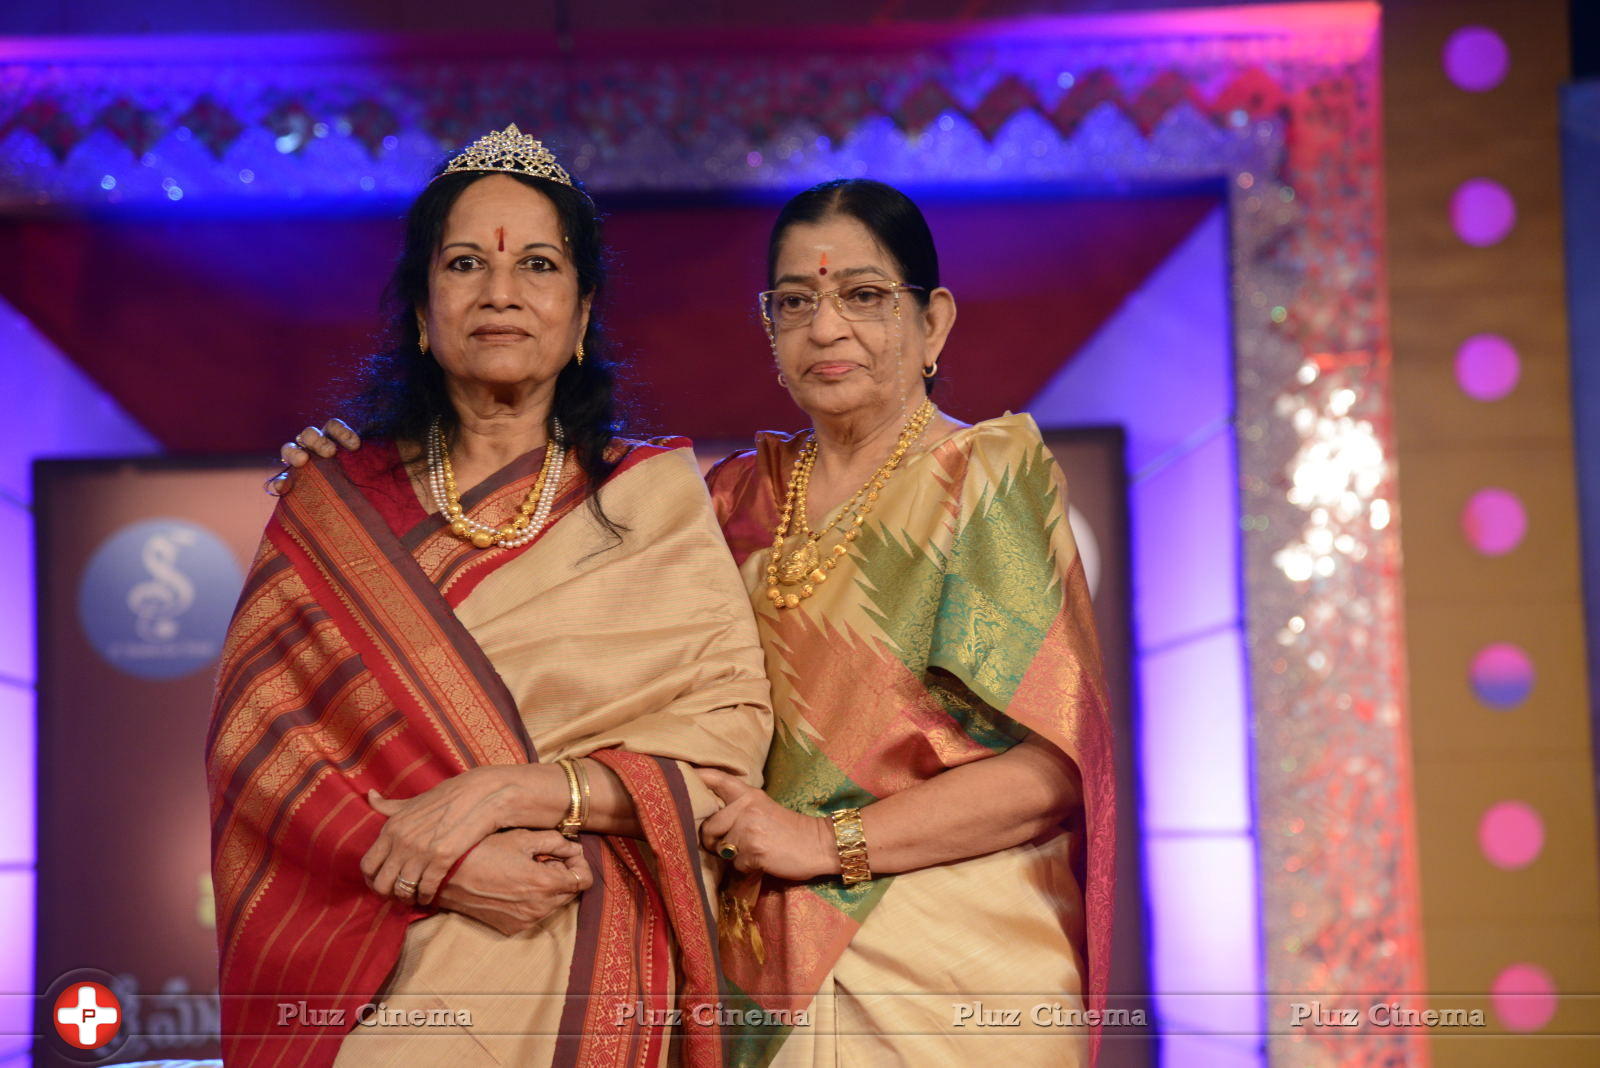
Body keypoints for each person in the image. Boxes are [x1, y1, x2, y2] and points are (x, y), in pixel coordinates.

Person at [279, 178, 1115, 1066]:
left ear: (935, 320)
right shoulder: (729, 499)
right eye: (795, 302)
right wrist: (359, 476)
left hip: (949, 960)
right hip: (758, 959)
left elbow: (1047, 771)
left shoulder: (983, 479)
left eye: (864, 296)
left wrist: (823, 842)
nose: (826, 329)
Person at [207, 125, 772, 1068]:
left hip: (599, 934)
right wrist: (447, 867)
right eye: (465, 263)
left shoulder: (652, 502)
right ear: (423, 312)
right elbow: (260, 754)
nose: (501, 292)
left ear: (582, 313)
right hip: (391, 954)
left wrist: (515, 793)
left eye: (539, 265)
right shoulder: (337, 505)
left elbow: (727, 743)